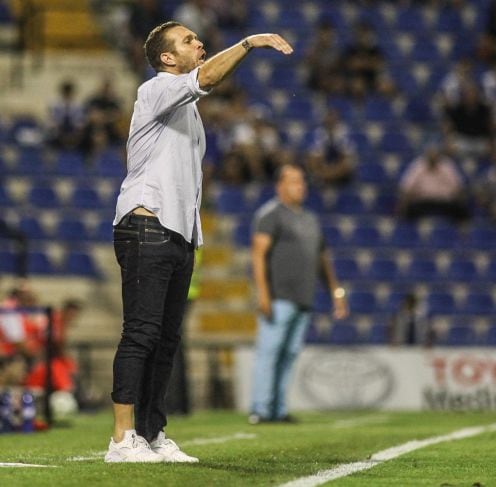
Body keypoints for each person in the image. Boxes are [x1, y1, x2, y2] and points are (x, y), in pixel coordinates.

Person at [106, 21, 292, 463]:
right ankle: (120, 440)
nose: (199, 43)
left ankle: (152, 434)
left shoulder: (185, 105)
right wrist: (249, 43)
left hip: (178, 231)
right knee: (141, 333)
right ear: (167, 58)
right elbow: (206, 78)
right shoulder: (155, 89)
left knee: (166, 339)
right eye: (188, 40)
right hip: (146, 224)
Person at [249, 164, 348, 424]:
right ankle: (260, 408)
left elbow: (323, 258)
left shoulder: (310, 219)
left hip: (304, 298)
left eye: (302, 181)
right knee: (269, 352)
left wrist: (336, 292)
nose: (301, 186)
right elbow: (258, 255)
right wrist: (263, 294)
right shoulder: (271, 215)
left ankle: (279, 409)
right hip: (278, 297)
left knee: (289, 354)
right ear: (280, 186)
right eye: (294, 181)